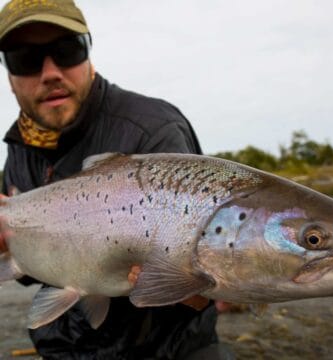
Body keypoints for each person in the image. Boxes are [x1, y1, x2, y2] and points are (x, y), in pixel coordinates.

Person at [0, 1, 235, 359]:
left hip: (167, 351)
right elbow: (35, 269)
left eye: (67, 50)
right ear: (8, 74)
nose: (50, 72)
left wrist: (215, 288)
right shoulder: (20, 148)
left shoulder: (153, 129)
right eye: (25, 59)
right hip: (66, 347)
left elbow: (202, 289)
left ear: (88, 51)